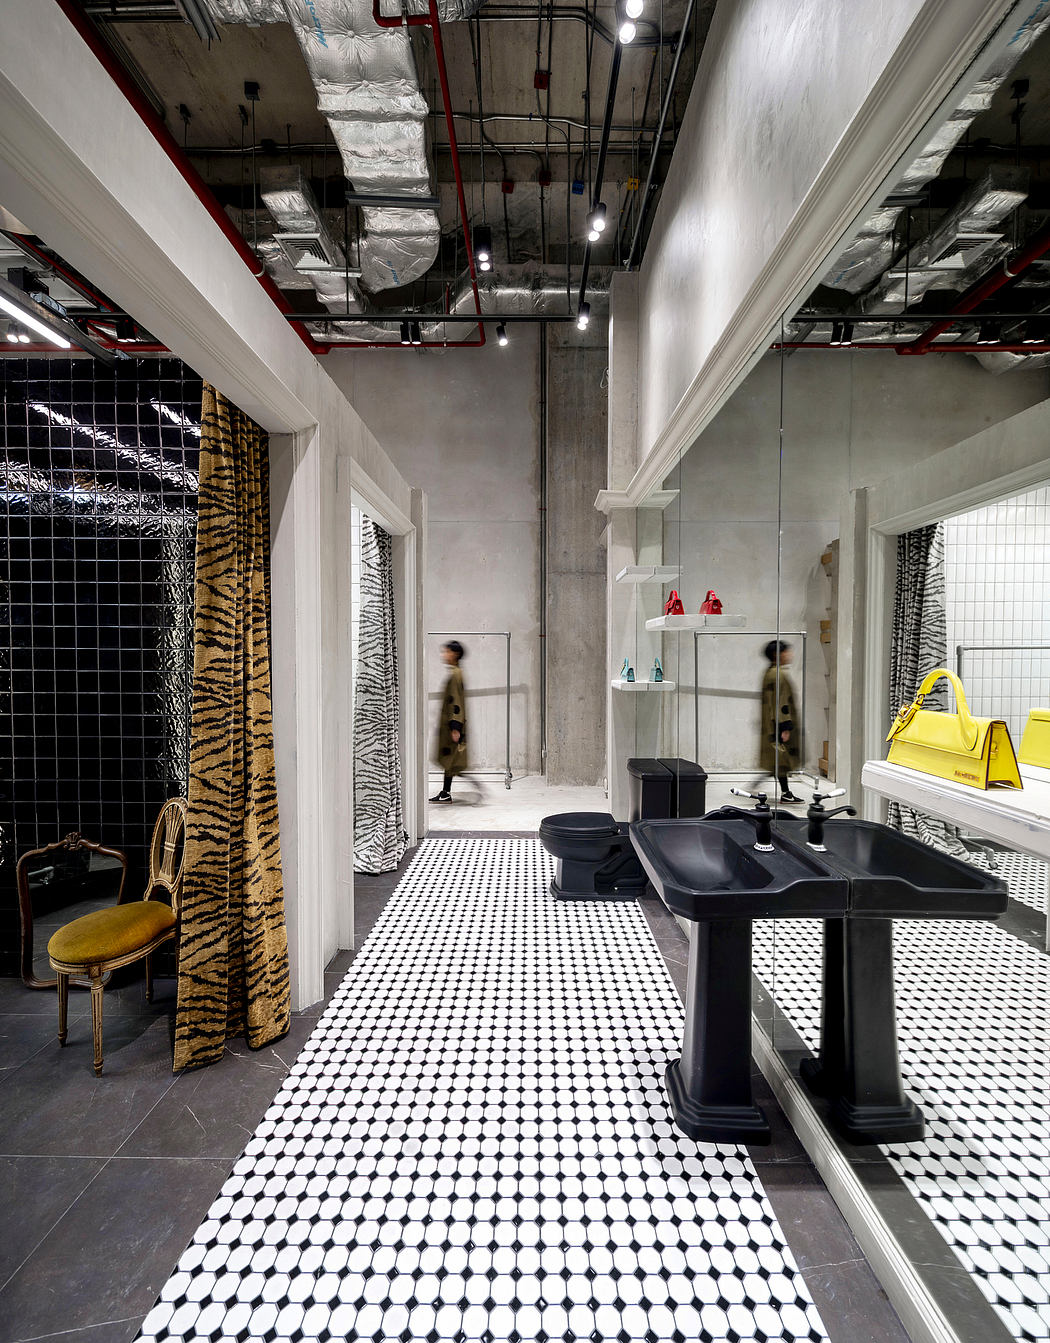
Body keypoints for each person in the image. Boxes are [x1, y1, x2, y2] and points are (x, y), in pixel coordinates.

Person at [759, 639, 801, 803]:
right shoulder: (779, 674)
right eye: (786, 651)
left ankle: (785, 792)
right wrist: (785, 726)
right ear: (777, 655)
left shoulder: (769, 672)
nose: (789, 654)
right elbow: (781, 702)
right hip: (777, 724)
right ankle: (786, 793)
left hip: (771, 724)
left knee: (777, 760)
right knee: (782, 760)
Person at [431, 640, 469, 802]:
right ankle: (446, 792)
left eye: (446, 652)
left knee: (451, 759)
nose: (444, 655)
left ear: (455, 654)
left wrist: (455, 727)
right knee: (450, 760)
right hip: (451, 724)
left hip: (452, 725)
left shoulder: (455, 674)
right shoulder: (455, 672)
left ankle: (446, 792)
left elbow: (456, 702)